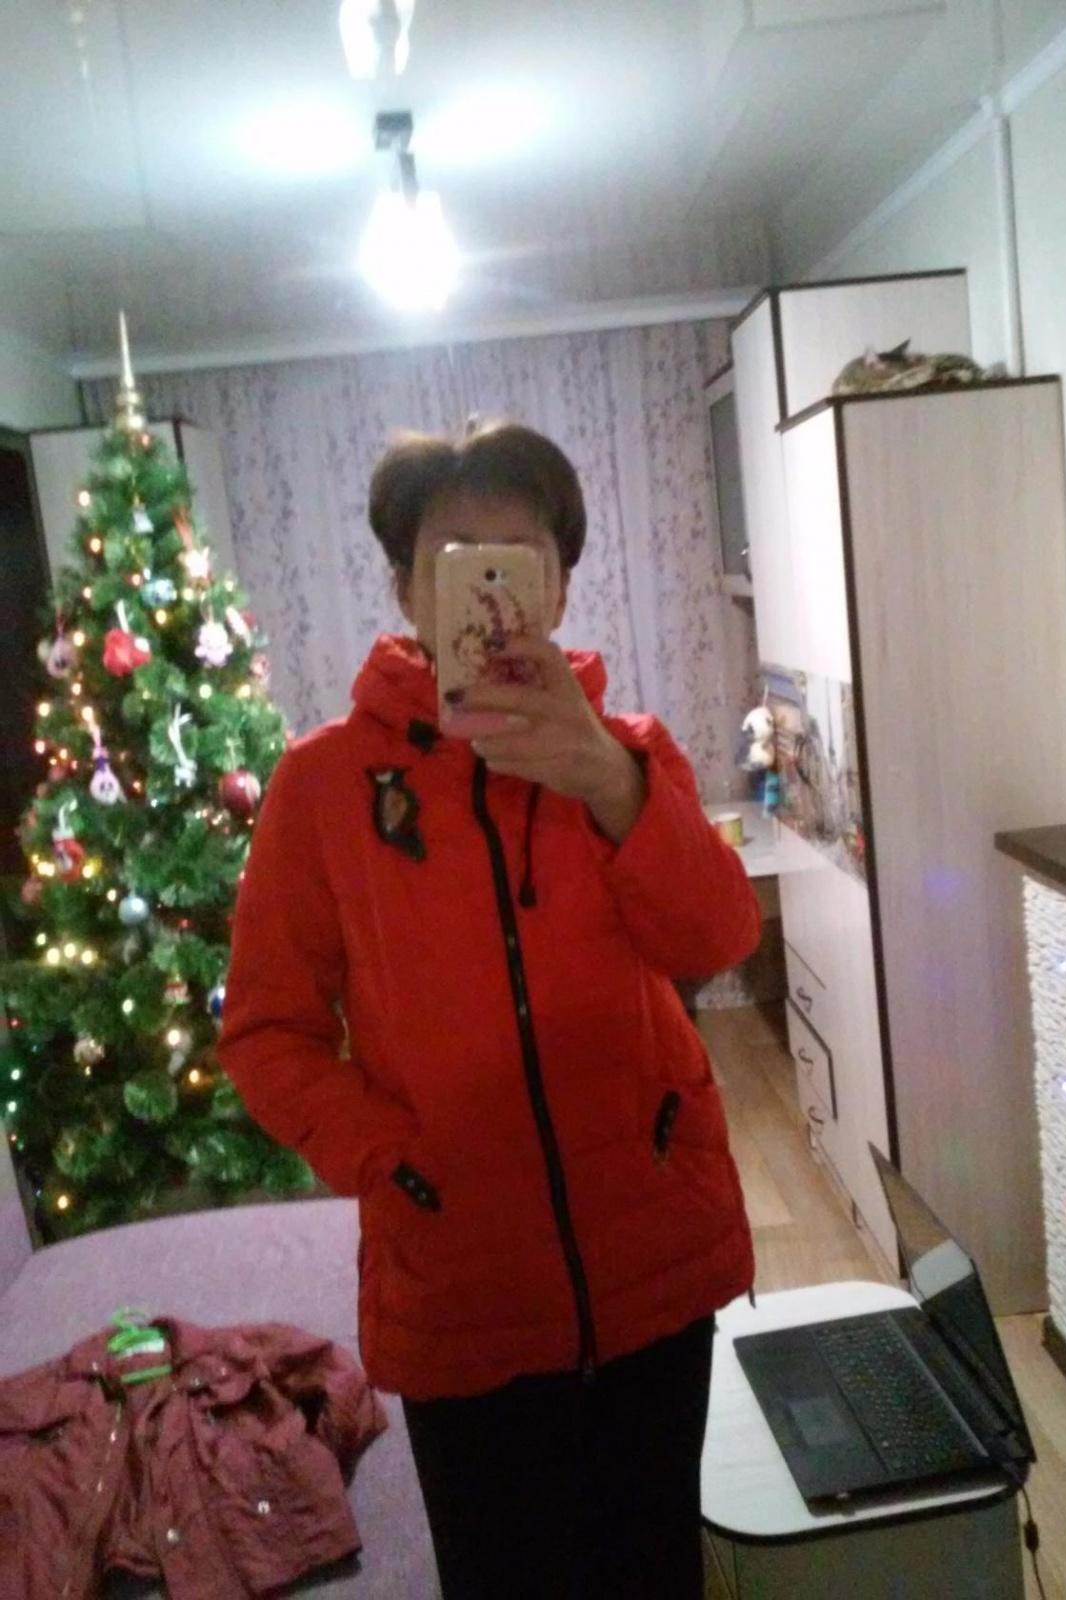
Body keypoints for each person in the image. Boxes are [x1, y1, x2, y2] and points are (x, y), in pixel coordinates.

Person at [219, 420, 761, 1598]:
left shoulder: (631, 756)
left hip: (652, 1255)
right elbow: (267, 1031)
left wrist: (605, 781)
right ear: (407, 590)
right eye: (456, 559)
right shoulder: (322, 788)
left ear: (559, 586)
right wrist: (395, 1159)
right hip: (457, 1284)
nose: (493, 595)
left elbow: (717, 940)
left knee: (652, 1565)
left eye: (519, 561)